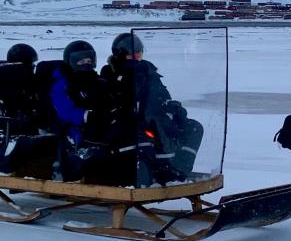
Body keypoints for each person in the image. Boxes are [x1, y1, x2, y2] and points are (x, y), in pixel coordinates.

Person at [101, 32, 204, 183]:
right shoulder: (111, 75)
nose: (136, 58)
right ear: (119, 55)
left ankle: (179, 168)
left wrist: (174, 109)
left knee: (194, 128)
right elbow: (112, 103)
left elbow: (163, 96)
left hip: (158, 119)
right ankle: (157, 171)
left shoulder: (150, 73)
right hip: (134, 123)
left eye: (138, 54)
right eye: (131, 56)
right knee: (152, 136)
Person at [48, 40, 113, 180]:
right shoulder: (62, 83)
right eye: (81, 61)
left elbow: (108, 100)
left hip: (99, 122)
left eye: (89, 60)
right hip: (73, 126)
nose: (86, 64)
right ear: (71, 61)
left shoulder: (98, 80)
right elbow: (63, 108)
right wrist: (85, 115)